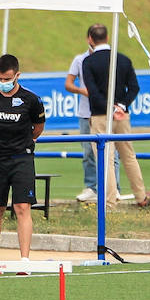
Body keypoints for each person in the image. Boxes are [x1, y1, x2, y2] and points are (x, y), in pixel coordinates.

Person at [0, 55, 46, 272]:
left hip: (22, 159)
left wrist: (23, 140)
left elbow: (38, 128)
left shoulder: (31, 100)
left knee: (22, 207)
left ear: (17, 75)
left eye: (7, 79)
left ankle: (24, 260)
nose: (3, 82)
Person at [80, 24, 150, 208]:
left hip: (100, 116)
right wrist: (121, 105)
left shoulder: (88, 62)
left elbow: (93, 92)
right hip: (121, 115)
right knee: (129, 156)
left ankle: (109, 203)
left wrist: (108, 108)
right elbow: (134, 87)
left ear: (90, 39)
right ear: (107, 37)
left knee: (106, 159)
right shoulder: (123, 59)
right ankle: (141, 196)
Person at [65, 33, 98, 203]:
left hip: (105, 112)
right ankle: (91, 187)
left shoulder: (110, 58)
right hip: (86, 113)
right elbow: (68, 83)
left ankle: (113, 189)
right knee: (88, 152)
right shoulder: (80, 60)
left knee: (111, 154)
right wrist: (81, 90)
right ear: (89, 39)